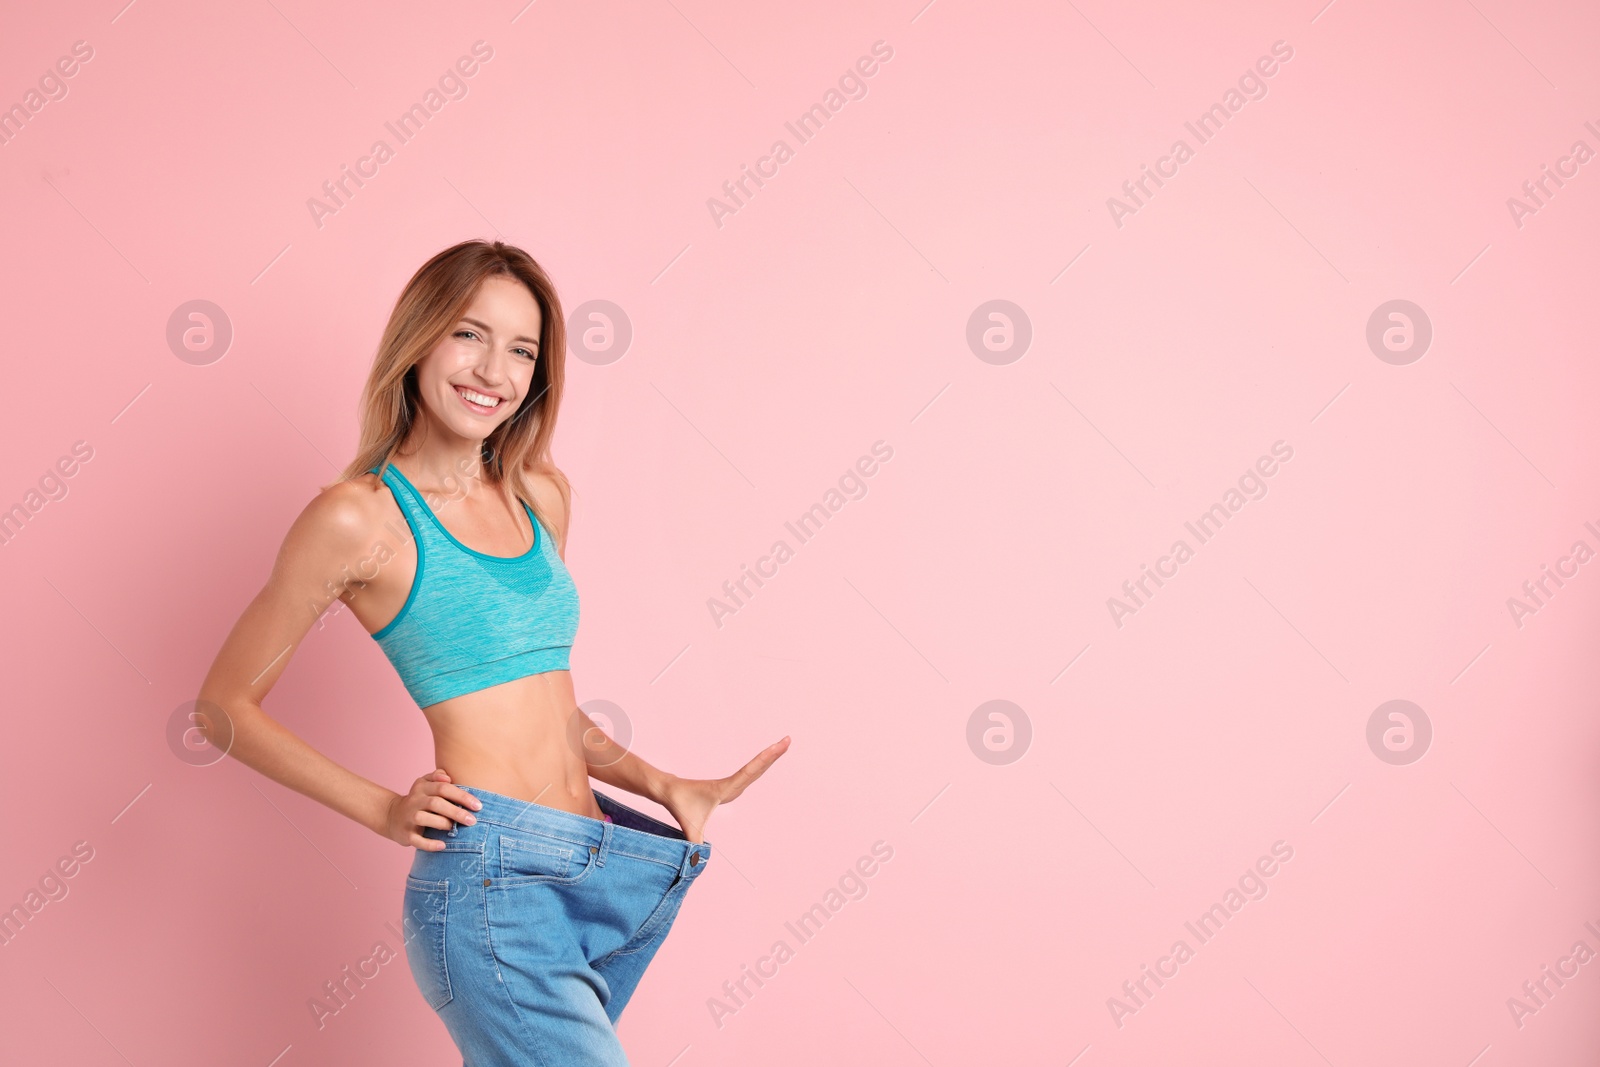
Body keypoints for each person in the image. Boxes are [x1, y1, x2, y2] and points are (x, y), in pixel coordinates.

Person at [196, 238, 789, 1064]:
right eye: (470, 335)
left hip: (603, 868)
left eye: (523, 349)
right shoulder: (358, 519)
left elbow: (538, 701)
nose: (494, 370)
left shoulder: (540, 496)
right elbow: (222, 708)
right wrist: (383, 809)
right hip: (495, 883)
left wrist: (660, 782)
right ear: (421, 338)